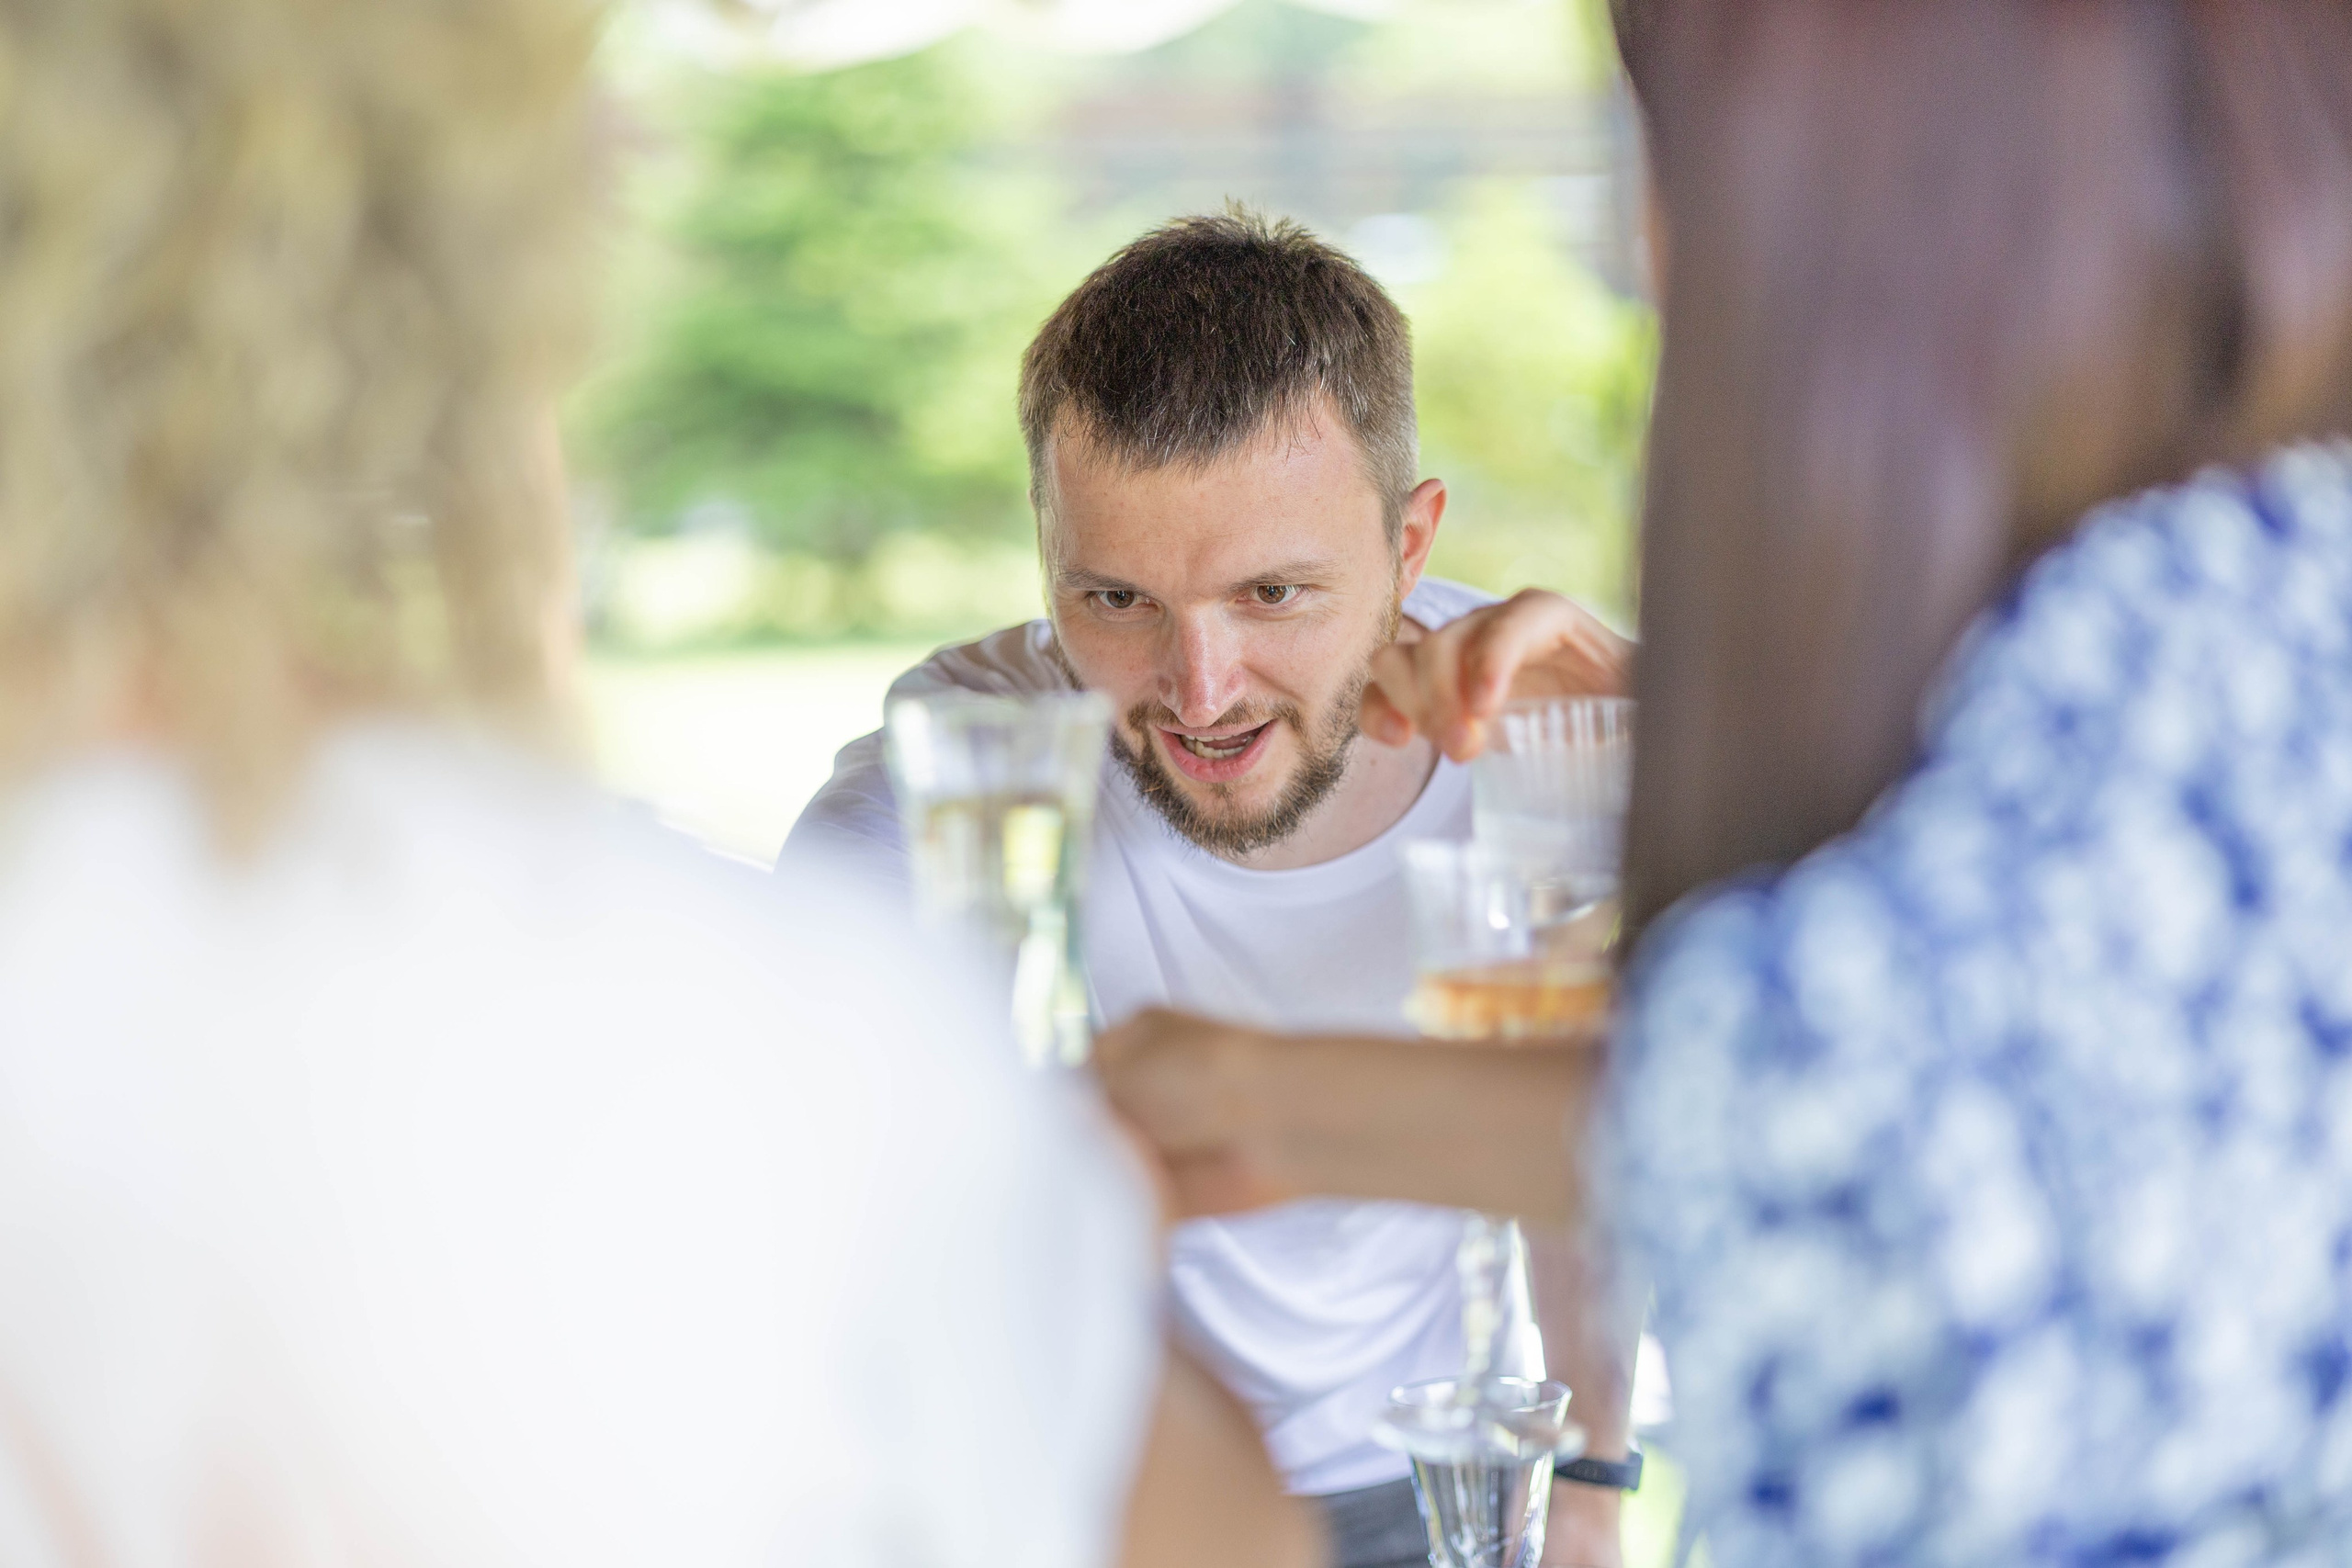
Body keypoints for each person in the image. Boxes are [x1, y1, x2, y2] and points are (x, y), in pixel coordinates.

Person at [0, 4, 1317, 1566]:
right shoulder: (738, 1037)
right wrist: (1061, 1241)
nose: (1203, 680)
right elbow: (1220, 1537)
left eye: (1273, 593)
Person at [1100, 1, 2352, 1563]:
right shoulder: (2243, 606)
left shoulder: (1879, 1001)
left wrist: (1225, 1116)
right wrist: (1250, 1106)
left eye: (1676, 161)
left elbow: (1821, 1104)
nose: (1657, 253)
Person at [784, 209, 1642, 1567]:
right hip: (1109, 1502)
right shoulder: (958, 798)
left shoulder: (1554, 731)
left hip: (1433, 1470)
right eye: (1117, 600)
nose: (1200, 691)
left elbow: (1606, 1151)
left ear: (1410, 545)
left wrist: (1588, 1486)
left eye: (1275, 593)